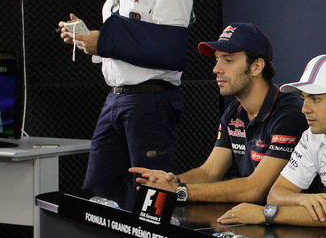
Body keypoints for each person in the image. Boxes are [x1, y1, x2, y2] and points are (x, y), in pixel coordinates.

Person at [59, 0, 192, 206]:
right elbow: (122, 44)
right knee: (98, 188)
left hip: (151, 101)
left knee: (149, 195)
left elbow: (168, 50)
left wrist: (102, 41)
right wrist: (87, 40)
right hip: (116, 98)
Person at [130, 23, 306, 203]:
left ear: (256, 67)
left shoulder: (289, 115)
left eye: (228, 60)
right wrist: (172, 181)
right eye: (217, 60)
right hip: (251, 216)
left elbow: (255, 189)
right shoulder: (234, 112)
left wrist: (180, 191)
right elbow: (209, 172)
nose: (216, 69)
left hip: (293, 221)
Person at [217, 53, 326, 228]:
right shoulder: (314, 133)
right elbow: (276, 194)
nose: (304, 109)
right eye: (303, 98)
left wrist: (265, 214)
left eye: (315, 99)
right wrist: (302, 198)